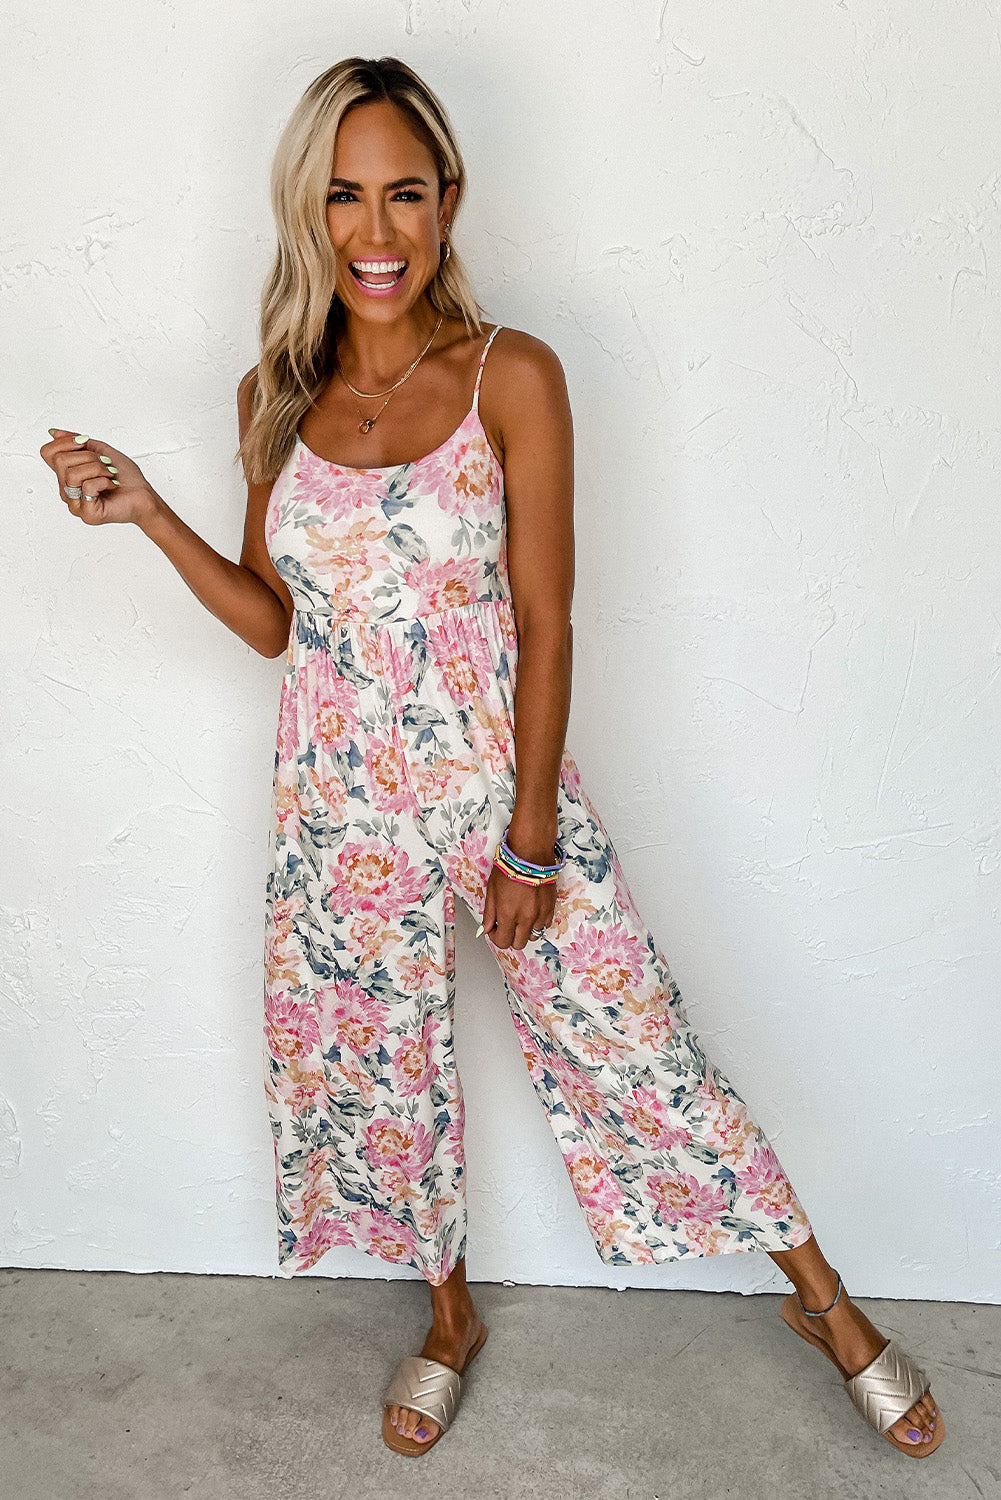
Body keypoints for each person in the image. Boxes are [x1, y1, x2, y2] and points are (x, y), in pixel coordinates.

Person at [41, 54, 944, 1463]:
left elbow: (544, 616)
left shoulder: (508, 374)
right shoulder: (272, 393)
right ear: (307, 212)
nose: (376, 231)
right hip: (335, 799)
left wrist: (530, 836)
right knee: (374, 1065)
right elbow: (282, 625)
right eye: (343, 197)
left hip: (490, 781)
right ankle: (448, 1318)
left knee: (633, 1035)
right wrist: (152, 515)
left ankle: (822, 1303)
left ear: (448, 200)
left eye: (403, 193)